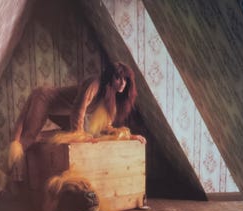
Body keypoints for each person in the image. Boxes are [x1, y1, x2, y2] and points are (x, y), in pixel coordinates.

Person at [8, 61, 146, 173]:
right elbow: (78, 109)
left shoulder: (110, 99)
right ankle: (4, 176)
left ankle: (38, 139)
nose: (122, 83)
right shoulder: (95, 83)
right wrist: (80, 135)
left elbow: (105, 127)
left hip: (62, 111)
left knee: (63, 134)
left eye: (125, 79)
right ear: (110, 77)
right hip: (44, 98)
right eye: (118, 78)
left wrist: (128, 136)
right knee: (26, 138)